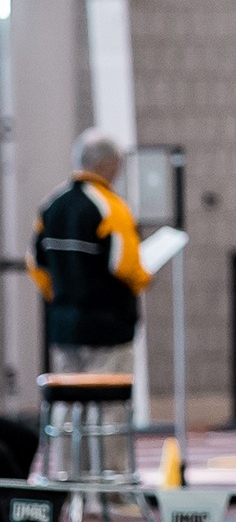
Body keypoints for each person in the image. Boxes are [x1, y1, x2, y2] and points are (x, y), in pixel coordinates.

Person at [28, 130, 151, 376]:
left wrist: (62, 299)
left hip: (64, 326)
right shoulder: (113, 208)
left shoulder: (52, 205)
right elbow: (125, 267)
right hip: (108, 328)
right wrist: (144, 279)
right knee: (108, 405)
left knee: (68, 398)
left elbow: (36, 264)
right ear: (106, 164)